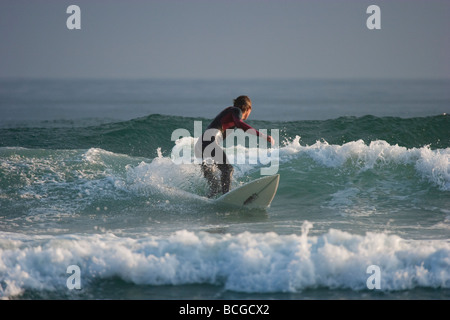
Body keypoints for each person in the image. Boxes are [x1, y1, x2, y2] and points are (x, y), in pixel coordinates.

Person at [195, 96, 274, 198]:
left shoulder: (229, 111)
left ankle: (208, 200)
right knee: (228, 169)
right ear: (248, 108)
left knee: (215, 186)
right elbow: (240, 124)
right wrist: (263, 136)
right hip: (209, 142)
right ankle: (226, 197)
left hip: (200, 145)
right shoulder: (236, 110)